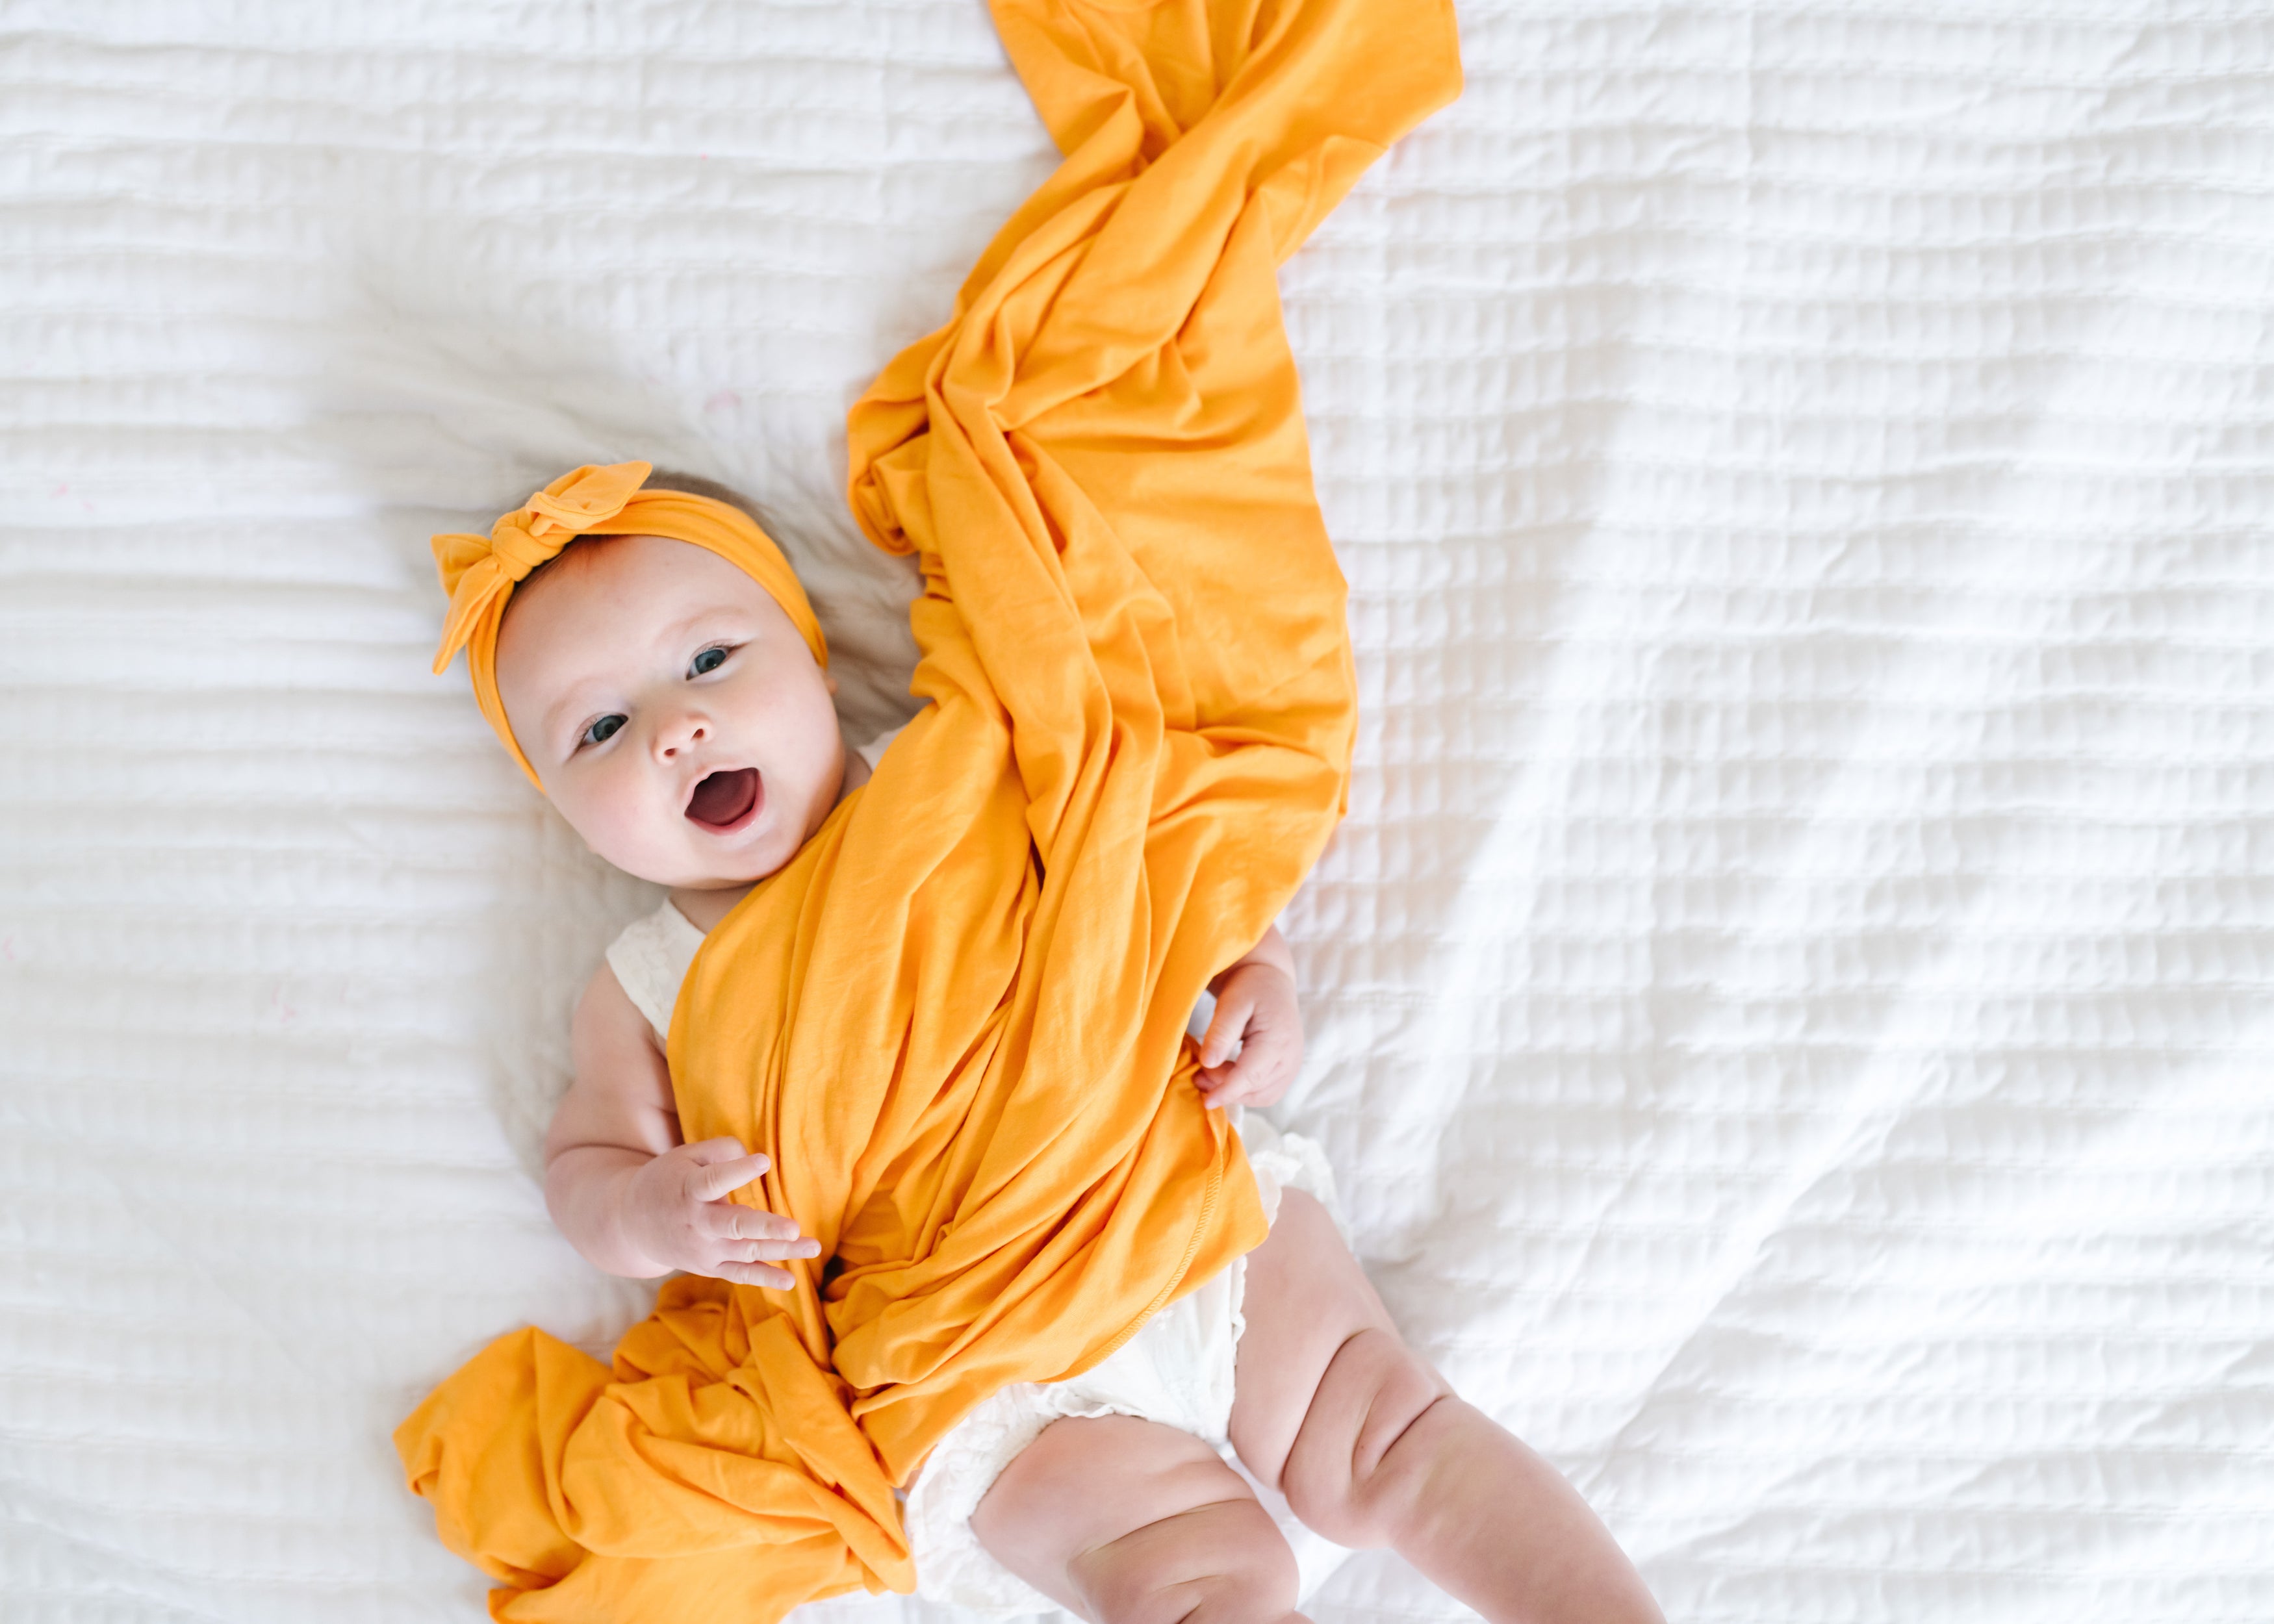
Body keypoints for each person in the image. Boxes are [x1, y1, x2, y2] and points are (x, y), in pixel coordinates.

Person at [478, 466, 1659, 1624]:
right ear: (558, 806)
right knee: (1195, 1583)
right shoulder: (646, 984)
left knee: (1390, 1439)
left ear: (811, 656)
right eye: (600, 727)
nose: (677, 728)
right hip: (972, 1357)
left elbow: (1144, 871)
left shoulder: (959, 771)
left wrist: (1255, 972)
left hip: (1163, 1198)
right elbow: (586, 1167)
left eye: (709, 660)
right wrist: (647, 1213)